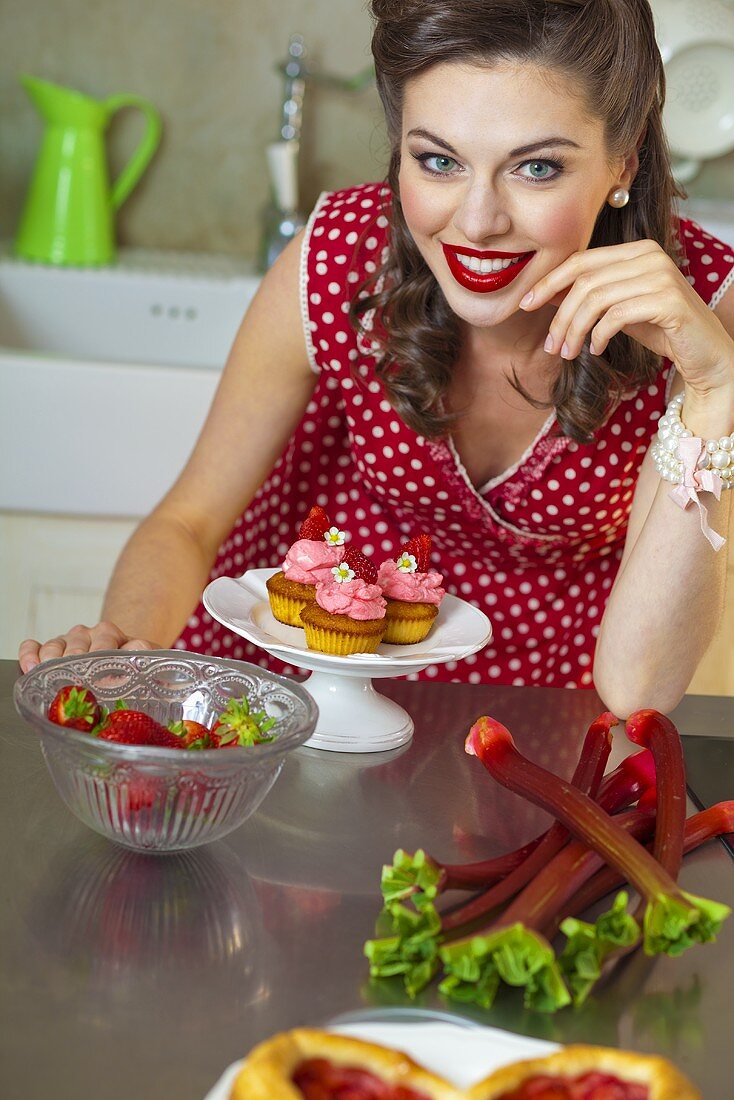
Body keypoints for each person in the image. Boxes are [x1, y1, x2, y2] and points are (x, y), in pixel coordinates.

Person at [18, 0, 734, 717]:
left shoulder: (704, 311)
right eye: (438, 161)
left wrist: (714, 391)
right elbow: (189, 521)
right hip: (293, 698)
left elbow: (639, 689)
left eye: (537, 167)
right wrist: (123, 660)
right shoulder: (336, 256)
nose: (478, 220)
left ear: (624, 159)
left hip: (524, 732)